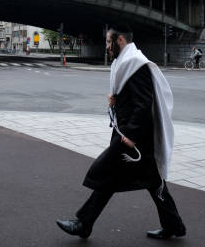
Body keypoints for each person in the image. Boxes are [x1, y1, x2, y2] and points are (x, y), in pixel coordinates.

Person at [56, 29, 186, 241]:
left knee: (107, 174)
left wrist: (132, 135)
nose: (107, 46)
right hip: (129, 135)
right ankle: (174, 225)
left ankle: (83, 223)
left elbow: (143, 104)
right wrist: (116, 100)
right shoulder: (125, 63)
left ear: (120, 39)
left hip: (133, 139)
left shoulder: (135, 64)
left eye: (109, 41)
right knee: (152, 181)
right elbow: (132, 97)